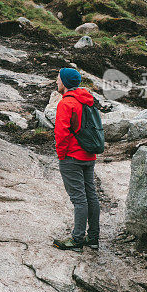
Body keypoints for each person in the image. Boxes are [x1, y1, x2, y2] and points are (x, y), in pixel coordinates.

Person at [52, 67, 100, 251]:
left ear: (65, 82)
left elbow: (61, 133)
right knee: (91, 195)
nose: (57, 81)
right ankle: (93, 238)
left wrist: (61, 154)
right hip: (89, 154)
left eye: (58, 79)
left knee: (79, 199)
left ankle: (77, 239)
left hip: (72, 156)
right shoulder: (87, 99)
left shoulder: (66, 103)